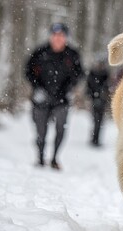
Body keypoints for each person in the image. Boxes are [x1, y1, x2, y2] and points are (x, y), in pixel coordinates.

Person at [25, 23, 84, 170]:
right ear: (51, 36)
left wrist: (68, 89)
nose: (58, 39)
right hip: (41, 99)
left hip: (62, 99)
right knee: (40, 131)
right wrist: (37, 88)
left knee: (60, 129)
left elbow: (79, 74)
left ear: (66, 38)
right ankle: (40, 158)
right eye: (55, 35)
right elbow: (28, 71)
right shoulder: (39, 53)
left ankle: (54, 158)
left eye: (61, 36)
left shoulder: (72, 54)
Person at [86, 56, 110, 147]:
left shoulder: (105, 74)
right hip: (94, 99)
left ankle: (96, 139)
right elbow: (89, 86)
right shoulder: (92, 73)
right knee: (95, 120)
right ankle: (94, 138)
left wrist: (102, 95)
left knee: (98, 121)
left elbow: (107, 87)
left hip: (101, 99)